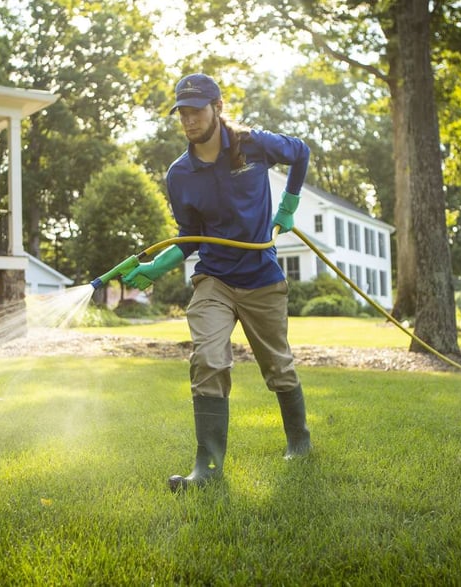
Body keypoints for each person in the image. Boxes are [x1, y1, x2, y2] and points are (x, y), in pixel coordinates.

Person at [123, 73, 312, 492]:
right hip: (215, 278)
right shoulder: (180, 174)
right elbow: (190, 237)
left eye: (197, 110)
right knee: (208, 359)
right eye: (183, 113)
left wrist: (290, 204)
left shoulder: (253, 144)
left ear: (217, 107)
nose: (189, 120)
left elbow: (301, 153)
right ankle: (207, 469)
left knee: (278, 367)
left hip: (261, 275)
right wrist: (156, 266)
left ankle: (299, 440)